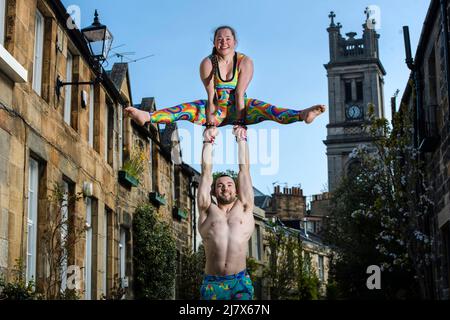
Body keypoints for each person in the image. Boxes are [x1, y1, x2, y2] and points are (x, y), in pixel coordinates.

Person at [124, 25, 326, 128]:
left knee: (269, 110)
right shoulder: (207, 62)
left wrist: (240, 122)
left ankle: (302, 114)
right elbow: (211, 94)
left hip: (242, 109)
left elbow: (239, 93)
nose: (224, 42)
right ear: (214, 42)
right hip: (217, 109)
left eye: (228, 38)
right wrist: (211, 119)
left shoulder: (245, 61)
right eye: (219, 39)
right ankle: (148, 116)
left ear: (235, 42)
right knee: (187, 109)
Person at [197, 124, 255, 300]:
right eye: (220, 185)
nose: (225, 188)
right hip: (212, 283)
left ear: (236, 190)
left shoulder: (244, 207)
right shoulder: (207, 210)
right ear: (214, 191)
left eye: (230, 185)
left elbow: (244, 170)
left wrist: (241, 139)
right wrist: (208, 141)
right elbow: (206, 172)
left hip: (240, 282)